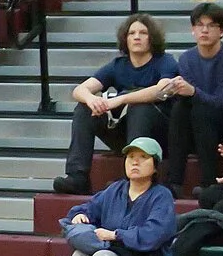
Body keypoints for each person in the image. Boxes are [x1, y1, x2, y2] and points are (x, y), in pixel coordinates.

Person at [53, 15, 172, 194]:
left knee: (139, 108)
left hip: (157, 136)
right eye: (132, 33)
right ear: (125, 38)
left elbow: (162, 91)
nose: (137, 37)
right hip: (124, 133)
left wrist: (121, 99)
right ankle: (78, 177)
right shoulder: (118, 65)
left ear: (152, 38)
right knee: (84, 108)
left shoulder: (165, 61)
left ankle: (130, 181)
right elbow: (79, 90)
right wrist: (92, 99)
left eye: (143, 33)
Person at [160, 3, 223, 196]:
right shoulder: (186, 59)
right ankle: (174, 182)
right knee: (180, 108)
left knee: (200, 108)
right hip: (193, 125)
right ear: (192, 30)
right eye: (199, 25)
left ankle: (208, 183)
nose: (204, 30)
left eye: (211, 25)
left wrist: (193, 92)